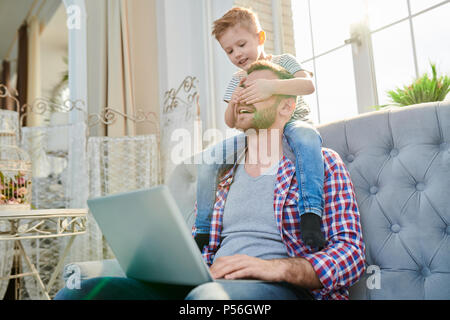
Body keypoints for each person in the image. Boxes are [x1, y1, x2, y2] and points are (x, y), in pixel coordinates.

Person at [55, 61, 365, 300]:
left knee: (205, 301)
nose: (243, 96)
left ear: (286, 106)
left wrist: (277, 268)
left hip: (282, 289)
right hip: (208, 282)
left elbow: (351, 253)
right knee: (80, 286)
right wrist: (180, 265)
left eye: (258, 91)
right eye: (242, 89)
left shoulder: (322, 163)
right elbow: (204, 248)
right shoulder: (222, 174)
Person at [195, 7, 326, 252]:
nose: (237, 54)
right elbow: (230, 122)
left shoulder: (283, 61)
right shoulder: (237, 78)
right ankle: (202, 229)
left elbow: (308, 85)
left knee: (307, 138)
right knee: (209, 159)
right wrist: (234, 103)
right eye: (229, 51)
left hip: (292, 124)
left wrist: (271, 86)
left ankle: (310, 214)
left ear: (261, 38)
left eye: (241, 44)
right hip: (253, 135)